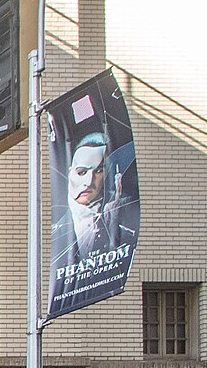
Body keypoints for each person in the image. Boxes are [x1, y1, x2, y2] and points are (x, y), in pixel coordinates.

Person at [48, 131, 139, 316]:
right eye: (81, 172)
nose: (88, 182)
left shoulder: (123, 211)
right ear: (70, 173)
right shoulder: (58, 228)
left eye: (98, 171)